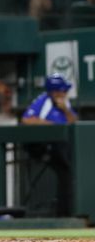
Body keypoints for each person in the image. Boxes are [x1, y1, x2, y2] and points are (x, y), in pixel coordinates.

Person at [21, 74, 77, 216]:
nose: (64, 93)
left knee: (68, 173)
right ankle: (64, 213)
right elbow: (27, 120)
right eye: (62, 90)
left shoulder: (65, 103)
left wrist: (65, 109)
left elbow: (74, 122)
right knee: (66, 172)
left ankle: (67, 211)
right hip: (43, 146)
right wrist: (53, 126)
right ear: (54, 91)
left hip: (64, 146)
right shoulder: (44, 100)